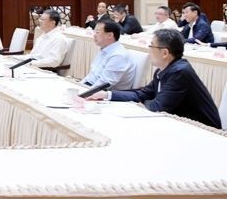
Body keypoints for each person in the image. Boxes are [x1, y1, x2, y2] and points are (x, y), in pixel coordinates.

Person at [87, 29, 221, 129]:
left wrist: (135, 104)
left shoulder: (180, 72)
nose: (149, 50)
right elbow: (143, 94)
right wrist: (107, 95)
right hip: (180, 124)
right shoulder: (164, 69)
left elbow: (158, 107)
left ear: (165, 53)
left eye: (151, 46)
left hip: (204, 130)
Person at [79, 20, 136, 90]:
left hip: (106, 93)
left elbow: (104, 84)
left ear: (110, 35)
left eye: (97, 32)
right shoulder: (105, 49)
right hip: (92, 88)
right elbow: (92, 75)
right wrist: (79, 85)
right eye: (94, 31)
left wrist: (82, 92)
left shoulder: (118, 55)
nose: (94, 35)